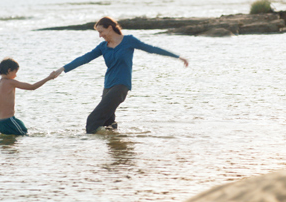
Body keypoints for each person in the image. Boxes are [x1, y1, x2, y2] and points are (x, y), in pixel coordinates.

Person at [55, 16, 189, 134]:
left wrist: (177, 57)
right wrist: (63, 69)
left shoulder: (128, 41)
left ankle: (87, 146)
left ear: (110, 28)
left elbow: (151, 49)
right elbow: (84, 58)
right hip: (107, 86)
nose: (100, 35)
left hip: (121, 85)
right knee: (107, 122)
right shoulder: (103, 47)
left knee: (93, 120)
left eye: (101, 31)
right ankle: (117, 151)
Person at [0, 58, 61, 135]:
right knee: (25, 135)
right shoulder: (10, 82)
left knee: (9, 144)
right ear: (9, 70)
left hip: (0, 123)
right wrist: (49, 78)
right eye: (15, 72)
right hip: (9, 121)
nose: (15, 75)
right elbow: (32, 87)